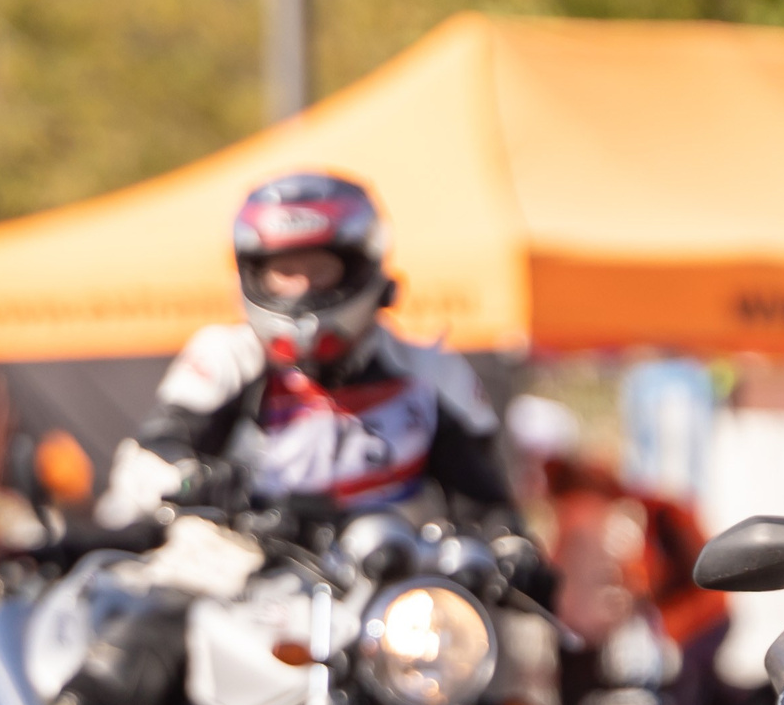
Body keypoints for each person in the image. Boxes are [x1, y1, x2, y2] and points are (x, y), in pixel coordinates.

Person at [96, 172, 523, 529]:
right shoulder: (229, 356)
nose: (300, 288)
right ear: (254, 274)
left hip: (389, 588)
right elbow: (148, 458)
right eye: (284, 271)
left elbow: (485, 505)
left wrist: (507, 547)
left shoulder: (431, 373)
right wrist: (195, 480)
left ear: (359, 267)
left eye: (319, 269)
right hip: (243, 577)